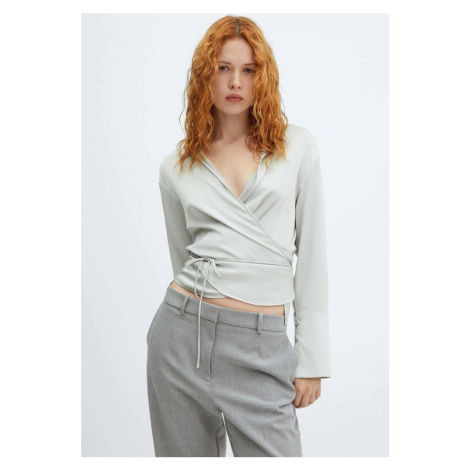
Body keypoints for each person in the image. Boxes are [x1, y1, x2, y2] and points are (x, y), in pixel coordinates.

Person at [146, 15, 331, 457]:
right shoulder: (176, 167)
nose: (235, 82)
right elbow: (182, 258)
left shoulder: (296, 147)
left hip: (262, 345)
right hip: (180, 339)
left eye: (248, 70)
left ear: (262, 77)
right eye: (223, 68)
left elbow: (312, 253)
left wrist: (312, 357)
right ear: (204, 76)